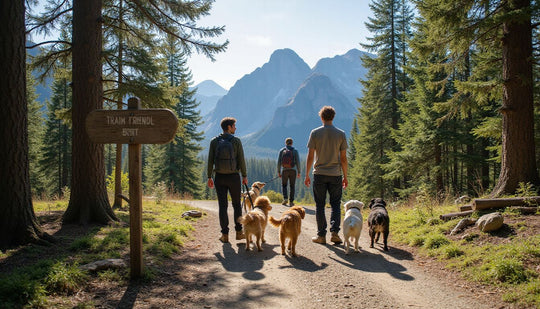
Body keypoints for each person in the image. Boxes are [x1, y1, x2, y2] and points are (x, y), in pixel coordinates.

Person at [304, 106, 348, 245]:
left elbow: (310, 155)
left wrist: (307, 174)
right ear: (333, 117)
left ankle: (321, 236)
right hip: (335, 174)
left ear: (321, 117)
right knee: (335, 204)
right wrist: (345, 176)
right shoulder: (341, 134)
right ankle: (335, 232)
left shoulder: (315, 133)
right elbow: (343, 158)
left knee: (320, 205)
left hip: (319, 174)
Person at [207, 117, 248, 243]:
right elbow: (241, 159)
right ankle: (239, 232)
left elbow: (210, 160)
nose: (235, 128)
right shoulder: (236, 141)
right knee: (236, 205)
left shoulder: (214, 141)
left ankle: (224, 235)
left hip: (219, 177)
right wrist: (244, 176)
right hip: (234, 177)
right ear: (229, 127)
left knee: (222, 206)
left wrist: (209, 177)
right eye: (234, 126)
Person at [277, 137, 301, 206]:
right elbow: (298, 162)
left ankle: (285, 198)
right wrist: (299, 172)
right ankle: (291, 201)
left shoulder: (282, 151)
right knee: (292, 186)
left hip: (284, 170)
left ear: (285, 143)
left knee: (284, 185)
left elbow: (279, 162)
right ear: (292, 143)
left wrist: (279, 171)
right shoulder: (295, 151)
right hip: (293, 170)